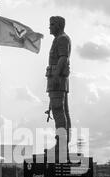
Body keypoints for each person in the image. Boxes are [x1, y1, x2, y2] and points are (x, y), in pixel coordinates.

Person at [45, 16, 71, 162]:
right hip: (59, 78)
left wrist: (55, 76)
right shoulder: (59, 39)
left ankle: (61, 145)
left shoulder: (62, 39)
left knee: (59, 110)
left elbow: (63, 58)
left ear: (59, 25)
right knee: (62, 111)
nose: (49, 27)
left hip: (57, 78)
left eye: (52, 24)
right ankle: (63, 145)